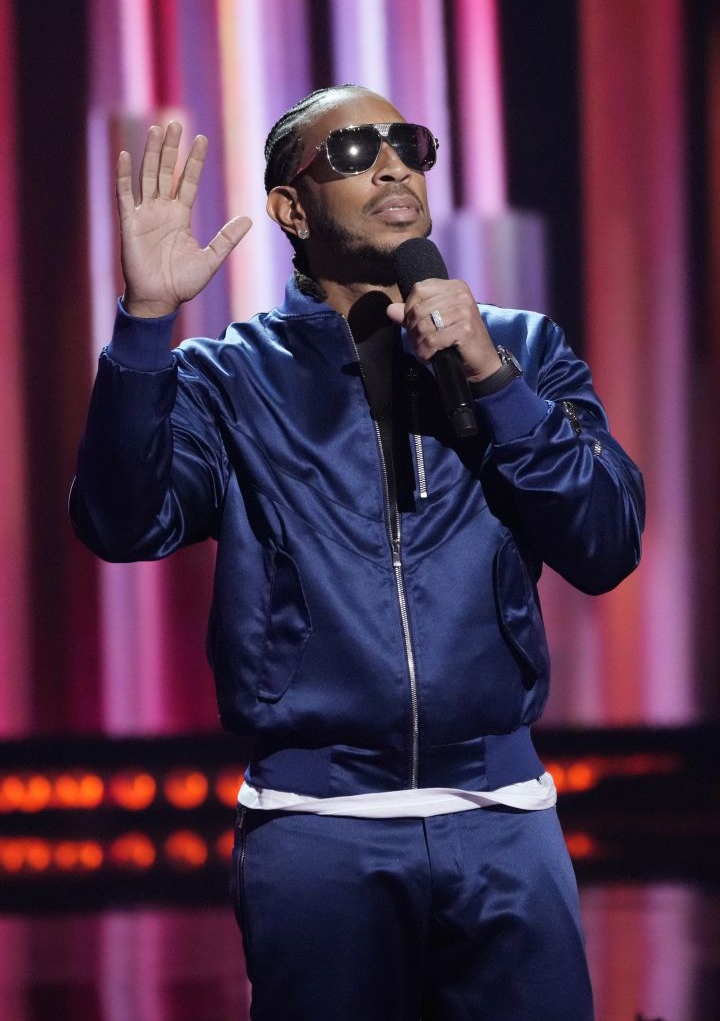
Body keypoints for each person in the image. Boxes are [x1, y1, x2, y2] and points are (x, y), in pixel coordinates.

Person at [71, 84, 644, 1020]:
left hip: (504, 825)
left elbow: (606, 540)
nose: (390, 166)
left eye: (406, 144)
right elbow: (121, 523)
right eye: (350, 152)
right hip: (318, 834)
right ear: (292, 210)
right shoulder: (230, 377)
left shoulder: (523, 349)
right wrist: (143, 325)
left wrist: (493, 381)